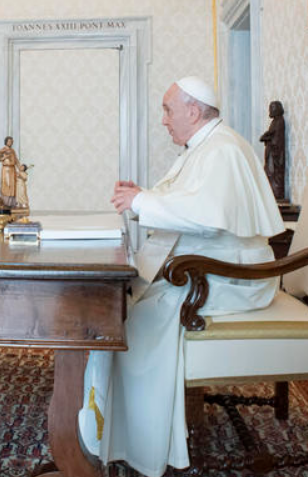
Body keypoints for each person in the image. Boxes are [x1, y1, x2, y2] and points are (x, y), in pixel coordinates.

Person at [78, 77, 284, 476]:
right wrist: (144, 197)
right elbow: (191, 203)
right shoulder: (206, 147)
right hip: (213, 268)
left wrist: (142, 201)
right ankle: (111, 424)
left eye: (167, 110)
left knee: (129, 322)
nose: (163, 120)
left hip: (231, 278)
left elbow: (205, 216)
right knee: (120, 307)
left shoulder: (222, 149)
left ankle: (137, 440)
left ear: (193, 111)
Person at [0, 136, 18, 206]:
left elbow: (16, 160)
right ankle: (6, 203)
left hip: (12, 169)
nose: (10, 143)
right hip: (6, 170)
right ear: (6, 142)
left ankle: (12, 203)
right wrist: (4, 157)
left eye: (11, 141)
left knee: (13, 185)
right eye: (9, 141)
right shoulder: (3, 150)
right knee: (6, 185)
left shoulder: (13, 151)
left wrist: (20, 167)